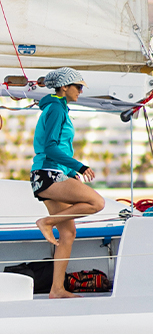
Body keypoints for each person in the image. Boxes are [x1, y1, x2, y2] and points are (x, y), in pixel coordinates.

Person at [30, 68, 104, 298]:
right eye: (78, 87)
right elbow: (51, 148)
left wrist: (71, 171)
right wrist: (80, 167)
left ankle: (57, 289)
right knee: (96, 202)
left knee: (69, 233)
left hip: (49, 174)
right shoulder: (55, 108)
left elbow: (58, 147)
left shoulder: (57, 107)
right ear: (65, 87)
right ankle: (46, 222)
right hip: (48, 174)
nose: (80, 91)